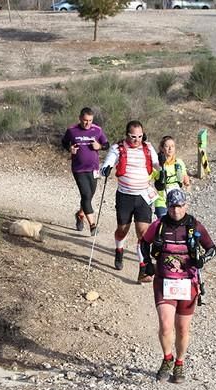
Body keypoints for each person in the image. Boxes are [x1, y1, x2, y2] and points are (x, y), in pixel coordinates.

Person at [140, 188, 216, 383]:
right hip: (163, 282)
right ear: (167, 206)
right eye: (172, 206)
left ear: (186, 206)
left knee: (183, 329)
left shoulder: (195, 226)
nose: (176, 210)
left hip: (188, 283)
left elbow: (212, 249)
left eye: (180, 206)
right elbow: (142, 244)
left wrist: (202, 261)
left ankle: (180, 363)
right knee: (166, 326)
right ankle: (167, 358)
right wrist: (146, 263)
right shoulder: (158, 225)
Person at [100, 120, 160, 282]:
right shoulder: (117, 148)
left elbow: (156, 163)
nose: (137, 140)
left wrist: (163, 168)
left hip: (143, 196)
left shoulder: (148, 147)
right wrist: (106, 169)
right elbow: (107, 163)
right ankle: (119, 250)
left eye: (140, 136)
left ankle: (143, 268)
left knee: (144, 233)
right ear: (127, 135)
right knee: (122, 230)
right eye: (133, 137)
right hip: (125, 196)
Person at [61, 107, 110, 235]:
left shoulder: (97, 130)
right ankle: (93, 225)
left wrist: (99, 146)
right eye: (84, 120)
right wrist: (70, 148)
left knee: (90, 195)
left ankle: (80, 214)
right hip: (79, 169)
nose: (87, 123)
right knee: (86, 195)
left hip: (94, 169)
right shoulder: (72, 130)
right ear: (80, 118)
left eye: (89, 120)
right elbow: (64, 142)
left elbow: (107, 144)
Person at [152, 136, 191, 219]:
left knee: (177, 226)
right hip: (162, 201)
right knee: (164, 225)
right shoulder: (156, 165)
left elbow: (184, 175)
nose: (170, 149)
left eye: (172, 146)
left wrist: (187, 183)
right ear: (161, 148)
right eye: (167, 146)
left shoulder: (179, 162)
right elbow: (147, 179)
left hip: (177, 202)